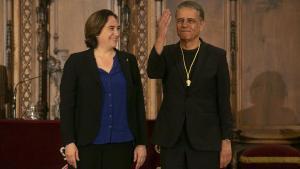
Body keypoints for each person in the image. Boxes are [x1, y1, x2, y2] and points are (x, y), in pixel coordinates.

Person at [147, 1, 233, 169]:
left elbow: (223, 101)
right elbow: (153, 71)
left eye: (190, 20)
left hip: (205, 139)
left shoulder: (216, 56)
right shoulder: (168, 53)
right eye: (180, 20)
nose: (184, 24)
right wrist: (161, 36)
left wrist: (226, 140)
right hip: (172, 139)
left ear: (201, 24)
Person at [60, 9, 147, 169]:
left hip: (123, 144)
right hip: (87, 145)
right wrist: (69, 142)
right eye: (111, 28)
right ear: (96, 30)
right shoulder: (76, 62)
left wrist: (141, 142)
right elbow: (66, 107)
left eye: (118, 29)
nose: (117, 33)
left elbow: (138, 104)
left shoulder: (129, 61)